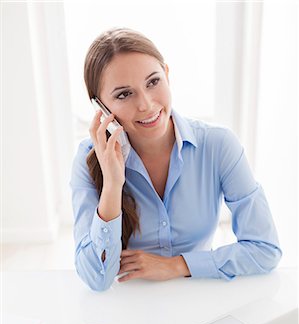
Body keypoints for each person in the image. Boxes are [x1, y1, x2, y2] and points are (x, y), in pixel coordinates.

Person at [70, 27, 282, 291]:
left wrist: (177, 265)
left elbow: (265, 250)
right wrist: (112, 186)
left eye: (153, 82)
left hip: (197, 291)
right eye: (124, 94)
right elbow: (97, 278)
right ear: (100, 107)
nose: (146, 104)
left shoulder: (217, 145)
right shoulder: (87, 160)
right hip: (132, 304)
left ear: (167, 75)